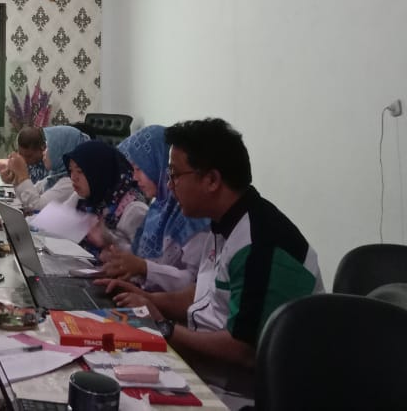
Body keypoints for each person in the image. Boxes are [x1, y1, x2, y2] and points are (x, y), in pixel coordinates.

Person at [101, 119, 323, 403]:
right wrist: (147, 300)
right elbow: (203, 295)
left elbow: (243, 351)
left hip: (240, 395)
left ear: (212, 180)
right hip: (207, 372)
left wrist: (164, 327)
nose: (169, 185)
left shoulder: (260, 242)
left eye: (175, 175)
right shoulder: (223, 223)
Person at [99, 125, 210, 291]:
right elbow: (141, 258)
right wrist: (117, 255)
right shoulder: (157, 208)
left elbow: (195, 283)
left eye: (138, 169)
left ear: (159, 163)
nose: (134, 177)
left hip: (167, 305)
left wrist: (143, 268)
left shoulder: (194, 214)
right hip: (143, 296)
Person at [64, 140, 149, 253]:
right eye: (71, 170)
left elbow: (139, 258)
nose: (73, 177)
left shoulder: (134, 210)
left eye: (80, 171)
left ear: (100, 172)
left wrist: (108, 241)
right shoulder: (85, 198)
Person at [5, 125, 89, 211]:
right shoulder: (54, 177)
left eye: (47, 147)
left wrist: (22, 176)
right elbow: (27, 196)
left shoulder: (70, 183)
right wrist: (15, 177)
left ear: (62, 150)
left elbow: (36, 207)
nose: (43, 152)